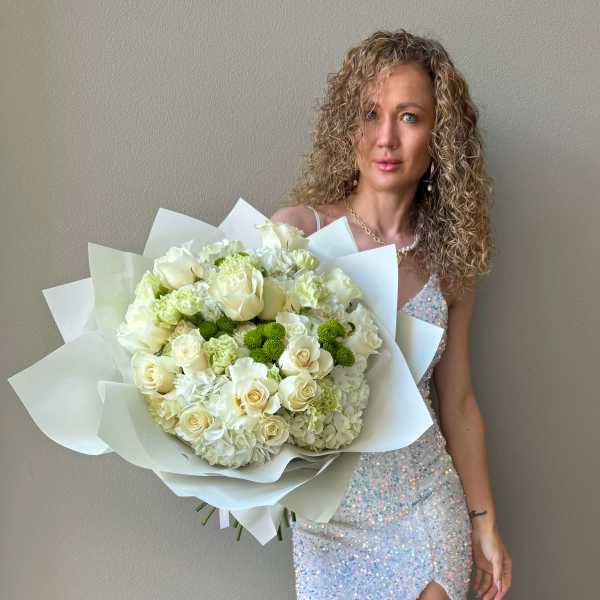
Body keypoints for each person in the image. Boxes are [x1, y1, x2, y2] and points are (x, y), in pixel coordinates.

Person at [271, 30, 513, 600]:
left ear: (439, 136)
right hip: (328, 524)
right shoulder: (297, 234)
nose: (385, 137)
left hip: (425, 507)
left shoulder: (450, 265)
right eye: (370, 114)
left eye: (409, 117)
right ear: (348, 127)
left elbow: (458, 401)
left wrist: (484, 521)